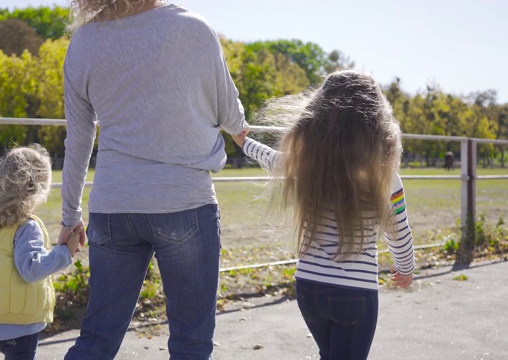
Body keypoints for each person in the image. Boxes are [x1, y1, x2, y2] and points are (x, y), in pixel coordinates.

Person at [59, 0, 249, 359]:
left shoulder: (83, 42)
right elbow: (229, 112)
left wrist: (70, 218)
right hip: (184, 202)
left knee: (96, 339)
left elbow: (79, 140)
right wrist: (242, 133)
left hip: (113, 207)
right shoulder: (193, 27)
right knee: (190, 343)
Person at [232, 70, 415, 360]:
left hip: (309, 288)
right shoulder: (384, 175)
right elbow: (399, 231)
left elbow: (272, 158)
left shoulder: (308, 166)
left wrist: (243, 142)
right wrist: (405, 268)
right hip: (354, 293)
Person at [0, 145, 79, 360]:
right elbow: (32, 269)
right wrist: (64, 252)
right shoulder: (27, 226)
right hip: (19, 324)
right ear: (38, 188)